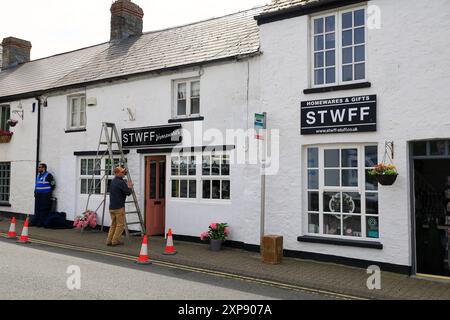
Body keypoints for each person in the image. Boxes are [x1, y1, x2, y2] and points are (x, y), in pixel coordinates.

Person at [107, 166, 133, 246]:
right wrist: (130, 186)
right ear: (117, 173)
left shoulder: (113, 181)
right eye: (122, 172)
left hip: (111, 207)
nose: (124, 173)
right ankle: (115, 241)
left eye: (124, 172)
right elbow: (128, 193)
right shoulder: (121, 182)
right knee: (120, 225)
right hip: (119, 207)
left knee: (113, 225)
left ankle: (109, 240)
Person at [31, 163, 56, 227]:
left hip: (45, 195)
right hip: (38, 194)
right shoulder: (38, 175)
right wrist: (35, 192)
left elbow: (53, 184)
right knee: (37, 208)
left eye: (40, 167)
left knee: (43, 209)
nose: (38, 168)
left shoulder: (49, 175)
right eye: (38, 167)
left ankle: (41, 223)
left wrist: (48, 191)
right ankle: (35, 222)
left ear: (43, 168)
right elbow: (37, 185)